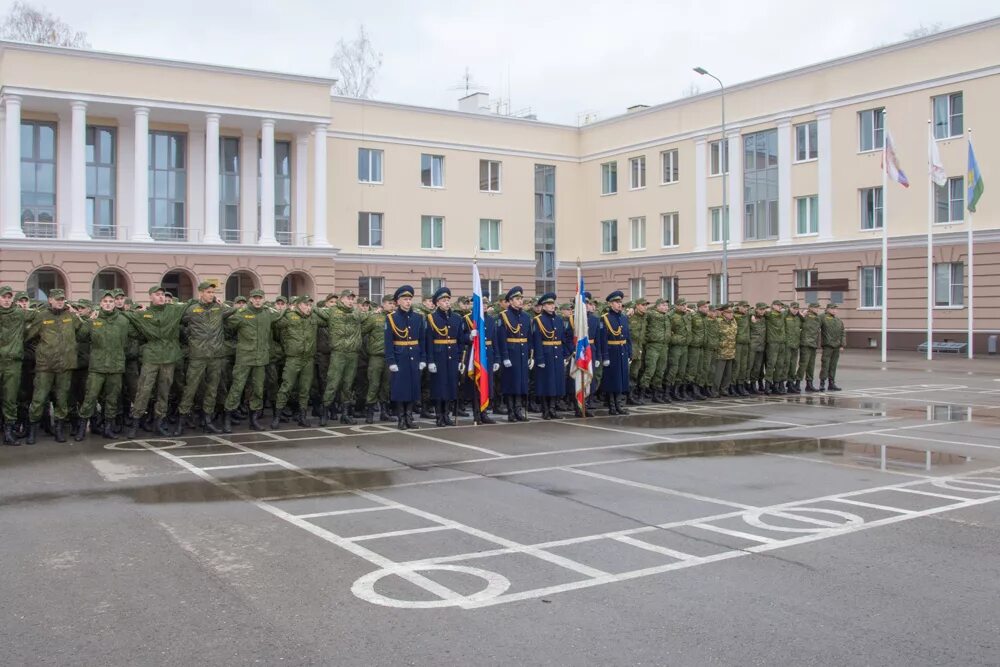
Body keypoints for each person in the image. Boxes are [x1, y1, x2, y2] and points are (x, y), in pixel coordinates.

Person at [121, 285, 186, 439]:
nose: (161, 296)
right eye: (157, 294)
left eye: (162, 294)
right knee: (143, 391)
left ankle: (159, 422)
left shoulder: (174, 310)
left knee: (164, 392)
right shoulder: (144, 314)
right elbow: (125, 315)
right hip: (151, 358)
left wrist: (216, 302)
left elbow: (191, 304)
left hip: (168, 357)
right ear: (150, 297)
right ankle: (136, 422)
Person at [178, 281, 237, 434]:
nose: (211, 295)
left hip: (215, 356)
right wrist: (190, 340)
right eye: (208, 292)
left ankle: (208, 420)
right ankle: (182, 420)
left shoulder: (219, 309)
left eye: (212, 292)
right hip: (198, 356)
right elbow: (180, 321)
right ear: (201, 293)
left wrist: (221, 303)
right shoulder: (192, 309)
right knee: (190, 388)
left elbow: (234, 310)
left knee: (212, 389)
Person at [26, 288, 82, 444]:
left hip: (65, 365)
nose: (60, 302)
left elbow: (82, 331)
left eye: (62, 299)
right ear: (50, 300)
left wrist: (76, 314)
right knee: (39, 399)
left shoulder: (69, 316)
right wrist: (41, 351)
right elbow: (29, 336)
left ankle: (59, 429)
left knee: (62, 399)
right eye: (57, 299)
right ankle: (32, 430)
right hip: (46, 366)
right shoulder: (42, 316)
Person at [222, 289, 282, 432]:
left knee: (258, 390)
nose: (257, 300)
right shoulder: (241, 313)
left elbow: (281, 315)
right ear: (250, 299)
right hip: (244, 358)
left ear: (264, 299)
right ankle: (227, 418)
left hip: (261, 359)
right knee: (237, 388)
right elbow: (227, 324)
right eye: (255, 298)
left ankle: (253, 420)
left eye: (260, 298)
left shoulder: (268, 313)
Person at [74, 291, 129, 441]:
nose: (108, 304)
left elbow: (125, 341)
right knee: (90, 397)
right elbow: (81, 337)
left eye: (111, 301)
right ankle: (82, 429)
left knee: (112, 399)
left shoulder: (122, 321)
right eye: (105, 301)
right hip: (97, 366)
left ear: (114, 304)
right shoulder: (94, 319)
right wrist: (89, 321)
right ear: (100, 304)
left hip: (115, 366)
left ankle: (108, 428)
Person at [272, 295, 322, 428]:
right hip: (293, 358)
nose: (308, 307)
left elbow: (329, 319)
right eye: (306, 305)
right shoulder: (289, 316)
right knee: (286, 387)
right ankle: (277, 416)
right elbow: (275, 323)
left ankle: (302, 417)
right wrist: (285, 311)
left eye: (310, 305)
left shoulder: (313, 318)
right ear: (299, 305)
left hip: (308, 359)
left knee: (305, 389)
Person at [319, 289, 367, 425]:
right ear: (342, 299)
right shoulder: (332, 311)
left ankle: (345, 414)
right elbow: (315, 312)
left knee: (348, 384)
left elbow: (369, 317)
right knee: (332, 383)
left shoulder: (356, 312)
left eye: (352, 298)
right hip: (338, 353)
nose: (351, 301)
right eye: (348, 298)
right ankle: (325, 413)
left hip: (352, 354)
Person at [424, 287, 469, 426]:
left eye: (448, 300)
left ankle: (447, 415)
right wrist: (430, 360)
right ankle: (439, 415)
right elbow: (428, 341)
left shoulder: (456, 318)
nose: (447, 303)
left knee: (451, 386)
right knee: (439, 387)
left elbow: (460, 341)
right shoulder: (431, 318)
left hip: (453, 356)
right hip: (439, 356)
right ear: (437, 303)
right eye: (443, 300)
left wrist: (460, 359)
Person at [385, 285, 426, 429]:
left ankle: (409, 417)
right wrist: (391, 360)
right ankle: (401, 418)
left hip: (414, 356)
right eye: (405, 299)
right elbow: (388, 341)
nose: (408, 302)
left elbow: (422, 340)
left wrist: (423, 358)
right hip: (400, 357)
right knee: (400, 389)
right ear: (398, 301)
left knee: (413, 388)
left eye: (409, 299)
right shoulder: (391, 318)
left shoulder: (418, 318)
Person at [0, 285, 34, 445]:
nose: (6, 300)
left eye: (9, 297)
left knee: (10, 398)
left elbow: (38, 315)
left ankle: (9, 431)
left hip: (12, 362)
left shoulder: (19, 313)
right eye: (4, 297)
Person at [531, 292, 571, 420]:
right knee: (545, 383)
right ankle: (545, 410)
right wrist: (539, 358)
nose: (552, 306)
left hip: (557, 354)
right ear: (543, 306)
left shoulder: (558, 320)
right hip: (546, 355)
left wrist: (565, 355)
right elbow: (537, 341)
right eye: (549, 304)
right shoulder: (538, 320)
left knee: (556, 383)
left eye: (552, 303)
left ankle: (553, 409)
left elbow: (563, 339)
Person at [496, 286, 533, 422]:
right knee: (511, 383)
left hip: (523, 353)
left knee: (521, 383)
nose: (520, 301)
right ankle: (511, 411)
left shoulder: (526, 316)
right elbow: (501, 338)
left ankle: (518, 410)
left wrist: (531, 356)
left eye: (521, 298)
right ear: (510, 301)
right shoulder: (504, 316)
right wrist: (505, 356)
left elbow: (529, 338)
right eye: (517, 299)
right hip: (511, 354)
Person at [361, 295, 394, 424]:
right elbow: (362, 331)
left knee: (386, 385)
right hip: (376, 356)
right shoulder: (375, 317)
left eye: (393, 303)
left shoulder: (395, 318)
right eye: (389, 303)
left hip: (390, 357)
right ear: (383, 304)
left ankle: (384, 412)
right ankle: (369, 413)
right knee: (373, 384)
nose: (392, 305)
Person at [599, 290, 632, 415]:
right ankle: (612, 406)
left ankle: (619, 405)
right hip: (612, 352)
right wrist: (605, 356)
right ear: (610, 304)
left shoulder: (623, 318)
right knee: (612, 380)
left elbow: (627, 337)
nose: (619, 304)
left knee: (621, 380)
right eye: (616, 302)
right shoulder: (605, 318)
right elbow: (603, 339)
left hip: (622, 351)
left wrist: (629, 352)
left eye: (620, 302)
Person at [640, 298, 671, 404]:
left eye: (667, 305)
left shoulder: (667, 316)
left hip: (664, 346)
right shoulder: (651, 314)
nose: (666, 307)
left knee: (660, 371)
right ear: (657, 306)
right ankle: (642, 394)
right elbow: (642, 318)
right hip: (653, 346)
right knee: (650, 370)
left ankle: (656, 395)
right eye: (663, 305)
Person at [666, 299, 691, 401]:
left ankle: (677, 391)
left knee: (682, 370)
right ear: (676, 306)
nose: (684, 307)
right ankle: (667, 392)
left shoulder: (687, 315)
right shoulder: (671, 316)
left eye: (685, 305)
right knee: (673, 369)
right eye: (682, 305)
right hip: (676, 346)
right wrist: (677, 339)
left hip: (685, 346)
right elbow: (668, 332)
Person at [685, 300, 709, 401]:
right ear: (699, 308)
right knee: (692, 370)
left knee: (700, 370)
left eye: (707, 307)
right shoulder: (693, 316)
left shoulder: (705, 318)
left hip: (701, 346)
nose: (707, 309)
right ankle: (688, 391)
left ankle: (697, 389)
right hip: (693, 347)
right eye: (704, 307)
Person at [820, 303, 846, 391]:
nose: (834, 311)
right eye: (832, 309)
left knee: (833, 365)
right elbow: (815, 326)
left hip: (836, 346)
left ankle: (831, 383)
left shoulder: (838, 320)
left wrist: (842, 344)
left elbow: (842, 333)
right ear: (827, 309)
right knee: (825, 365)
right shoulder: (823, 317)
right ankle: (822, 383)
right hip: (828, 346)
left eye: (835, 309)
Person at [627, 298, 648, 405]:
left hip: (639, 349)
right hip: (630, 348)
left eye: (646, 305)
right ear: (637, 306)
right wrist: (630, 309)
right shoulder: (630, 316)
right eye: (643, 305)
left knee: (634, 373)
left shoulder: (645, 317)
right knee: (627, 373)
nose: (645, 307)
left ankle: (631, 396)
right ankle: (622, 396)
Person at [714, 304, 738, 397]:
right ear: (723, 313)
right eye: (729, 312)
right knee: (718, 373)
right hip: (721, 351)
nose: (731, 314)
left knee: (728, 374)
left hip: (731, 351)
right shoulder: (719, 321)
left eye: (732, 312)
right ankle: (715, 390)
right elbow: (715, 335)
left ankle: (724, 389)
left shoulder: (733, 321)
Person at [799, 302, 822, 392]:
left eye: (818, 308)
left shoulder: (818, 318)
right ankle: (797, 383)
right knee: (803, 364)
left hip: (813, 344)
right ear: (810, 308)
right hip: (805, 344)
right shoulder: (805, 316)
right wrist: (803, 313)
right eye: (816, 307)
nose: (817, 309)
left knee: (811, 366)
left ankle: (809, 384)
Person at [764, 300, 786, 395]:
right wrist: (768, 309)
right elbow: (755, 311)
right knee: (771, 364)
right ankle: (767, 386)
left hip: (782, 342)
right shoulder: (769, 314)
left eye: (780, 305)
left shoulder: (782, 314)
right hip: (773, 342)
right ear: (773, 306)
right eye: (778, 305)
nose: (780, 307)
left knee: (780, 365)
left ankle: (776, 385)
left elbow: (793, 311)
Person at [749, 302, 768, 394]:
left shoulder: (764, 318)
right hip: (752, 347)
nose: (762, 311)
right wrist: (753, 313)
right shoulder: (751, 317)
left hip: (761, 347)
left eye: (763, 309)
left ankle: (753, 385)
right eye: (760, 309)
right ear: (756, 309)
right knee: (749, 366)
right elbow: (745, 312)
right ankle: (745, 384)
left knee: (757, 367)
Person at [784, 302, 802, 393]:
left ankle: (790, 382)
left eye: (797, 309)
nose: (795, 310)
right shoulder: (785, 316)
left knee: (793, 365)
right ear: (790, 308)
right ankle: (780, 383)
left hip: (795, 345)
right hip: (786, 345)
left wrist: (801, 315)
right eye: (794, 308)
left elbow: (804, 323)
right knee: (785, 364)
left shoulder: (798, 318)